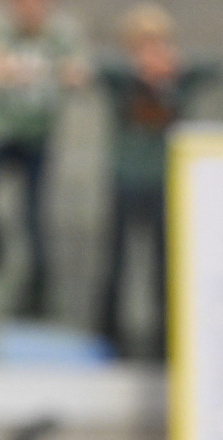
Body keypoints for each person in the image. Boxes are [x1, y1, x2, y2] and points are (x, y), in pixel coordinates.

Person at [93, 3, 220, 360]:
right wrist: (138, 71)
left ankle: (169, 338)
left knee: (165, 264)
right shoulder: (122, 78)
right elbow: (90, 70)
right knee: (116, 261)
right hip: (127, 179)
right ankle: (108, 335)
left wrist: (173, 69)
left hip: (167, 183)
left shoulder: (179, 78)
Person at [0, 0, 88, 317]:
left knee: (31, 216)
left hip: (37, 136)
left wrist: (29, 70)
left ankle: (39, 287)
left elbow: (77, 76)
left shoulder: (61, 34)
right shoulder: (0, 29)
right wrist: (48, 70)